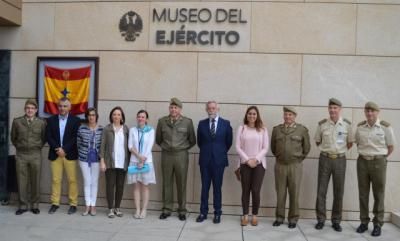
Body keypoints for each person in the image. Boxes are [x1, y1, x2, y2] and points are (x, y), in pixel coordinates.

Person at [355, 102, 395, 237]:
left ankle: (377, 224)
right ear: (365, 112)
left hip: (378, 162)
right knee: (363, 194)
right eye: (367, 111)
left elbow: (390, 147)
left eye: (372, 111)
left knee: (378, 194)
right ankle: (364, 222)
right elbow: (357, 142)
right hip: (362, 162)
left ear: (377, 112)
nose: (369, 113)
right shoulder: (360, 127)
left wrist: (380, 157)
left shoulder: (385, 127)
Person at [314, 98, 354, 232]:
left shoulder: (347, 125)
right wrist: (328, 150)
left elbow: (350, 143)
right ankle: (320, 219)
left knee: (339, 191)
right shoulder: (322, 124)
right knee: (321, 190)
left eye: (335, 108)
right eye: (330, 107)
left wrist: (338, 152)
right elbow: (318, 141)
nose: (332, 110)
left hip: (340, 160)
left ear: (340, 109)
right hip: (325, 159)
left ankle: (336, 220)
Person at [156, 97, 196, 221]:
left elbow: (192, 140)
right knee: (166, 183)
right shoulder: (162, 121)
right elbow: (158, 139)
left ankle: (182, 210)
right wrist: (167, 147)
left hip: (181, 155)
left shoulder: (187, 122)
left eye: (176, 107)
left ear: (180, 109)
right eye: (171, 107)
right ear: (169, 108)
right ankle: (167, 209)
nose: (173, 109)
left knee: (181, 183)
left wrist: (181, 148)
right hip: (167, 155)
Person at [271, 106, 310, 228]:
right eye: (286, 114)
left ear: (294, 116)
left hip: (295, 166)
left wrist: (298, 159)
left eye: (290, 115)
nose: (288, 117)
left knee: (294, 193)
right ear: (283, 116)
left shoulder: (301, 130)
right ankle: (279, 217)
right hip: (280, 165)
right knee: (280, 193)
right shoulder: (277, 130)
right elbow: (273, 147)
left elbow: (307, 148)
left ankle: (293, 219)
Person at [196, 101, 233, 224]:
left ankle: (217, 213)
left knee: (217, 187)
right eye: (209, 108)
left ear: (218, 109)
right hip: (205, 160)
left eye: (213, 108)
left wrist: (219, 152)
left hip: (219, 161)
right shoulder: (201, 124)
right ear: (206, 109)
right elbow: (200, 142)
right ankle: (203, 212)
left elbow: (228, 142)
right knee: (204, 187)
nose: (211, 110)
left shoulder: (226, 124)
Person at [46, 97, 81, 215]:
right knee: (56, 180)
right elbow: (48, 136)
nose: (62, 108)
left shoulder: (76, 120)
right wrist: (58, 149)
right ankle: (55, 203)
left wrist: (64, 149)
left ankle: (73, 204)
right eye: (60, 106)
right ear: (58, 107)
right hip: (55, 154)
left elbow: (75, 137)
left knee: (72, 180)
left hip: (69, 154)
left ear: (69, 107)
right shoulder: (51, 120)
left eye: (65, 106)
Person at [11, 99, 46, 215]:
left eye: (32, 108)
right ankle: (23, 205)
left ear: (36, 110)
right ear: (25, 109)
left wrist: (37, 147)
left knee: (35, 180)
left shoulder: (41, 123)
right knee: (22, 181)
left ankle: (35, 205)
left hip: (35, 154)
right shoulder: (17, 122)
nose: (30, 110)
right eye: (28, 108)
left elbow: (44, 138)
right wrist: (20, 147)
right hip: (21, 155)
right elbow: (13, 138)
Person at [235, 106, 269, 226]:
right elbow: (238, 147)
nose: (252, 116)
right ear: (246, 115)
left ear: (257, 115)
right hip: (245, 163)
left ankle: (254, 215)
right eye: (250, 114)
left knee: (255, 190)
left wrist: (256, 159)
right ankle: (245, 215)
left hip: (259, 164)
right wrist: (247, 160)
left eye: (254, 114)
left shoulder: (263, 129)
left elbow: (265, 147)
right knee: (245, 190)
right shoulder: (242, 128)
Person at [100, 106, 130, 218]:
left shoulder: (126, 129)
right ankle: (110, 208)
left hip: (123, 163)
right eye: (114, 114)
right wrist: (102, 161)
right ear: (111, 116)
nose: (116, 116)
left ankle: (117, 207)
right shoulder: (107, 129)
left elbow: (129, 147)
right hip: (110, 162)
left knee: (120, 185)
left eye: (118, 114)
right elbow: (102, 146)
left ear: (122, 117)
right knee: (110, 185)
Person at [127, 110, 156, 219]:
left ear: (146, 119)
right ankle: (137, 209)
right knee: (136, 186)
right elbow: (130, 146)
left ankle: (144, 210)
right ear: (137, 118)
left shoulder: (151, 130)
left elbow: (149, 146)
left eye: (143, 117)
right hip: (135, 161)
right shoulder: (133, 130)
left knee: (145, 186)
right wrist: (139, 157)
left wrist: (142, 159)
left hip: (146, 161)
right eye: (139, 116)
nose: (140, 118)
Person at [77, 107, 103, 216]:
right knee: (87, 181)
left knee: (94, 182)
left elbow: (103, 145)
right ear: (87, 117)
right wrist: (82, 154)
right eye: (89, 115)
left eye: (93, 115)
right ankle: (87, 205)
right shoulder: (81, 128)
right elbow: (77, 144)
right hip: (84, 158)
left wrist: (102, 159)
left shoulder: (102, 129)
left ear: (96, 117)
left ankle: (93, 206)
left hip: (96, 159)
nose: (91, 117)